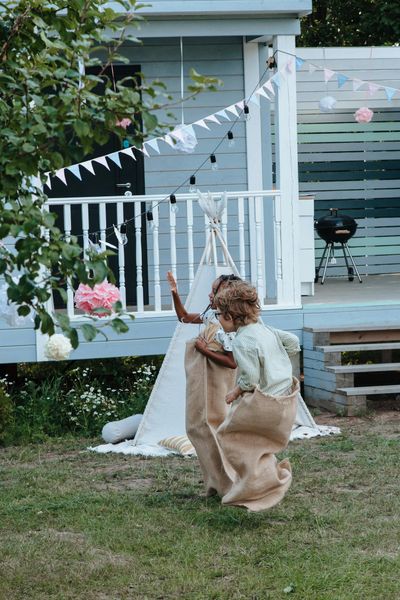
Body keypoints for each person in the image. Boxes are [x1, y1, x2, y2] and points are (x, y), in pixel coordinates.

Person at [213, 280, 300, 512]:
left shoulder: (242, 341)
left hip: (265, 402)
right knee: (259, 444)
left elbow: (250, 379)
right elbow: (293, 343)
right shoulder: (265, 329)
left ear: (230, 317)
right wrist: (277, 361)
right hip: (286, 398)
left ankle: (258, 488)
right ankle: (261, 480)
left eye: (219, 315)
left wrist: (234, 392)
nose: (218, 320)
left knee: (229, 437)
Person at [166, 271, 240, 496]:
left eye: (214, 289)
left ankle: (230, 483)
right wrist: (175, 294)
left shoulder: (228, 324)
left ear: (226, 292)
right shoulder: (213, 317)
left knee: (214, 427)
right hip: (203, 381)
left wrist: (203, 350)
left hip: (218, 384)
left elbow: (232, 362)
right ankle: (215, 484)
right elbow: (184, 317)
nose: (209, 294)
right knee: (199, 427)